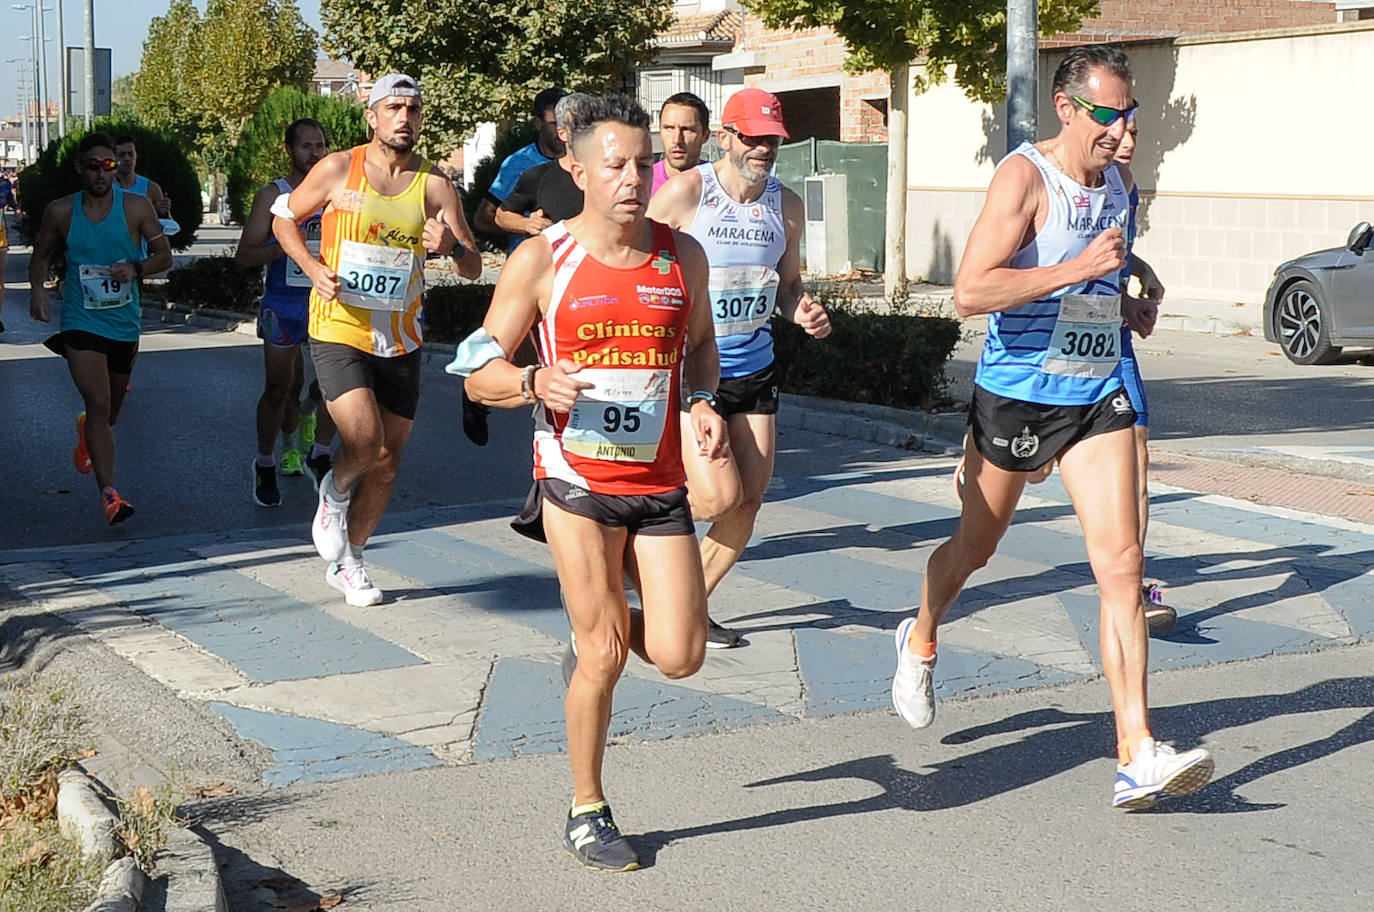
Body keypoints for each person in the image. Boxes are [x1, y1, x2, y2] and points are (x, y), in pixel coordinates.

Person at [889, 45, 1213, 810]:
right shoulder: (1024, 177)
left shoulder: (1120, 182)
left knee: (1123, 567)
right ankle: (921, 633)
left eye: (1129, 114)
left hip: (1096, 387)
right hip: (1018, 395)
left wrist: (1127, 291)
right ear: (1067, 109)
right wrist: (1073, 273)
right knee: (977, 546)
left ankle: (1137, 750)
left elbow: (1103, 262)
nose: (1122, 130)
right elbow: (971, 289)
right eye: (1108, 116)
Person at [459, 94, 724, 873]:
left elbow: (701, 350)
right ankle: (587, 806)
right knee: (604, 652)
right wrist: (535, 381)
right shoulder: (543, 259)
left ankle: (601, 625)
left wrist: (703, 400)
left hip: (659, 479)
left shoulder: (683, 256)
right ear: (577, 171)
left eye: (643, 163)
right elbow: (477, 372)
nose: (635, 177)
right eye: (617, 165)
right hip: (574, 478)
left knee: (679, 654)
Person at [271, 73, 482, 606]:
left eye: (413, 109)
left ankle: (352, 562)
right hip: (339, 324)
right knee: (363, 438)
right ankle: (334, 493)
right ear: (373, 116)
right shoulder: (339, 168)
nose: (404, 118)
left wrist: (451, 245)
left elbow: (474, 266)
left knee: (388, 459)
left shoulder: (434, 185)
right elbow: (283, 219)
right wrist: (312, 265)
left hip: (402, 335)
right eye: (394, 108)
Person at [647, 87, 831, 648]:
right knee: (716, 497)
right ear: (725, 137)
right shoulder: (686, 194)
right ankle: (641, 532)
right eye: (752, 137)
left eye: (772, 139)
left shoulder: (787, 205)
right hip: (690, 369)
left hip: (754, 367)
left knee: (748, 500)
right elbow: (635, 262)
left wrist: (801, 307)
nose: (763, 148)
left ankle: (686, 609)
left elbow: (788, 282)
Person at [28, 132, 172, 524]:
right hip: (80, 318)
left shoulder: (137, 208)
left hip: (123, 320)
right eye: (93, 165)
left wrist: (137, 269)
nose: (101, 172)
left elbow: (165, 257)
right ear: (80, 168)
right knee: (99, 402)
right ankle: (110, 494)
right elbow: (40, 255)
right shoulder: (61, 212)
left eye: (108, 164)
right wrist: (38, 292)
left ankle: (89, 432)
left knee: (110, 410)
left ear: (116, 167)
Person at [235, 118, 339, 505]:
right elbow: (245, 255)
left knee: (335, 385)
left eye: (320, 145)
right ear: (289, 150)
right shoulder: (274, 195)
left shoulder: (337, 194)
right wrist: (288, 243)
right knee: (280, 388)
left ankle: (320, 450)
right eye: (306, 146)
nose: (314, 153)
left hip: (327, 298)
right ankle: (265, 460)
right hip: (283, 302)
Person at [463, 87, 569, 447]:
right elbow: (484, 217)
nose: (561, 132)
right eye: (554, 124)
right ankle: (477, 394)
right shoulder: (520, 165)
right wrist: (527, 225)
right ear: (538, 122)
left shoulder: (584, 161)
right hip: (526, 275)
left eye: (567, 123)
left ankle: (556, 440)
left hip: (572, 274)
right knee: (516, 357)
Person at [1111, 116, 1176, 635]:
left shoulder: (1125, 184)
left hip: (1112, 341)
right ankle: (985, 453)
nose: (1129, 140)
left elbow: (1109, 257)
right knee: (1030, 468)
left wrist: (1137, 269)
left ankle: (1132, 584)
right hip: (1049, 348)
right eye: (1117, 126)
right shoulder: (1055, 180)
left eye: (1136, 129)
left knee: (1136, 454)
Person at [494, 93, 588, 235]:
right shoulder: (535, 173)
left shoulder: (614, 176)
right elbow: (500, 215)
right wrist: (528, 224)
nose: (586, 133)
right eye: (577, 126)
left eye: (590, 126)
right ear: (562, 133)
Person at [652, 92, 710, 196]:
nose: (677, 140)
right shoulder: (643, 183)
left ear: (705, 136)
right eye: (669, 128)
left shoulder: (720, 185)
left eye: (687, 129)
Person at [113, 136, 172, 219]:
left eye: (130, 154)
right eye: (121, 155)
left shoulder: (151, 188)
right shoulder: (106, 187)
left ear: (136, 155)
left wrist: (164, 214)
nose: (127, 158)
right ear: (114, 158)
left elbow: (168, 225)